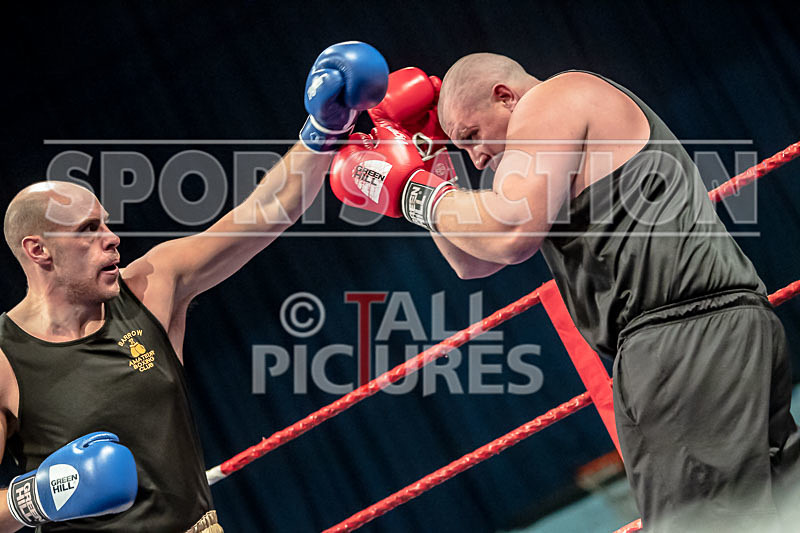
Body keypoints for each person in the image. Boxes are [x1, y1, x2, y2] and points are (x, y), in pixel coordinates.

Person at [329, 55, 799, 531]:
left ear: (504, 96)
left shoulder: (554, 97)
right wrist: (429, 167)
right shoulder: (551, 146)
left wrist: (408, 187)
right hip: (692, 339)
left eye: (471, 136)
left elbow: (509, 235)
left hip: (681, 342)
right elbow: (473, 261)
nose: (476, 158)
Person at [0, 41, 388, 532]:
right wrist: (31, 499)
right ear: (39, 251)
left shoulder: (149, 287)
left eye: (106, 223)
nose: (112, 239)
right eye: (88, 231)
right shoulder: (4, 359)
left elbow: (265, 214)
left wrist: (324, 129)